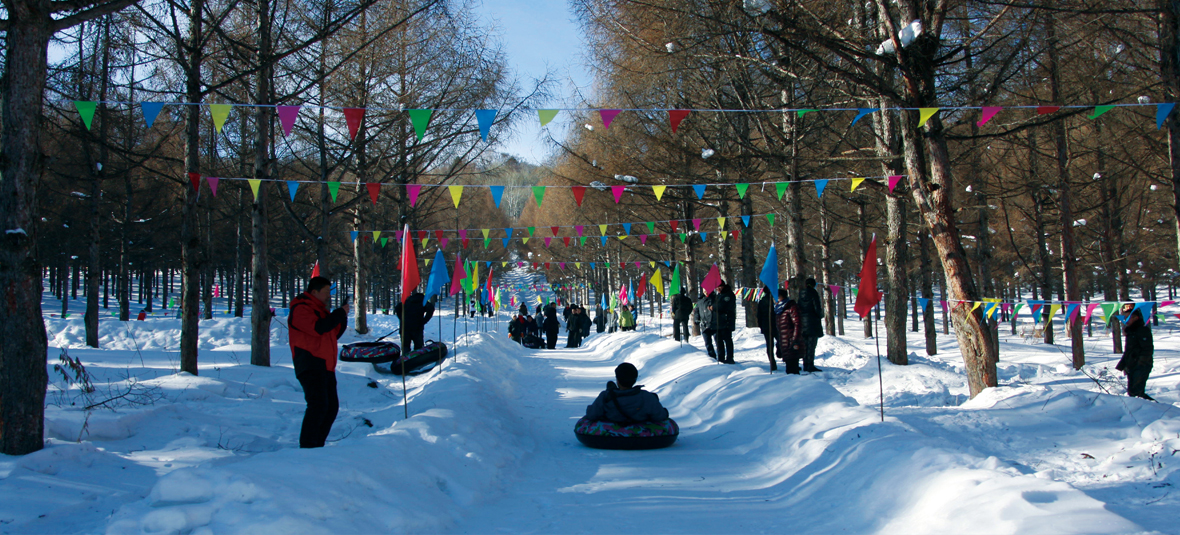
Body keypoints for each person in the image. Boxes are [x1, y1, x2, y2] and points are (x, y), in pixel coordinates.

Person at [288, 276, 349, 448]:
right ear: (314, 292)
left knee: (330, 408)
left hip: (326, 365)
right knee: (318, 405)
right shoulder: (301, 308)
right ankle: (308, 446)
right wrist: (338, 314)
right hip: (310, 363)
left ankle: (317, 445)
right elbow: (318, 328)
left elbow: (333, 333)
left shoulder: (321, 311)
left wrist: (341, 317)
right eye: (326, 291)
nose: (329, 295)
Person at [585, 363, 669, 424]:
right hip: (641, 434)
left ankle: (614, 390)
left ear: (618, 380)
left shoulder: (605, 396)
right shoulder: (646, 397)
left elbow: (592, 415)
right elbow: (660, 416)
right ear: (635, 380)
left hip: (610, 433)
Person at [1116, 303, 1155, 401]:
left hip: (1141, 366)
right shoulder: (1130, 332)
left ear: (1135, 318)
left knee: (1137, 393)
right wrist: (1123, 364)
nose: (1125, 320)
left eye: (1127, 317)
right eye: (1124, 318)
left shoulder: (1142, 330)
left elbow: (1147, 349)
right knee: (1132, 393)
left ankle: (1157, 407)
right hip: (1132, 366)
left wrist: (1140, 364)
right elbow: (1129, 351)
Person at [797, 277, 824, 373]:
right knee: (811, 345)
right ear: (814, 285)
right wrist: (820, 315)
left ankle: (805, 364)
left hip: (802, 322)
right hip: (812, 323)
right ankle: (810, 365)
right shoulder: (814, 293)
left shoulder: (801, 293)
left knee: (805, 345)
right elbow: (817, 308)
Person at [774, 289, 803, 374]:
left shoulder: (791, 307)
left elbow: (798, 324)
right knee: (789, 368)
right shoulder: (779, 309)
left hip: (791, 341)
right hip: (784, 342)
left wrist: (795, 340)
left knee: (793, 369)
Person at [713, 281, 737, 364]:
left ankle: (730, 357)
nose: (718, 289)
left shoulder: (728, 295)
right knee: (718, 340)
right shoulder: (719, 295)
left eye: (719, 287)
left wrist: (713, 307)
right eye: (716, 287)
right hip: (718, 321)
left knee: (727, 340)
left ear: (723, 286)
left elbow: (722, 306)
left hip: (727, 321)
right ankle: (721, 357)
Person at [755, 286, 777, 372]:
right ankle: (779, 358)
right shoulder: (775, 300)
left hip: (766, 326)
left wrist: (761, 326)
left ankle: (772, 363)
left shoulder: (762, 301)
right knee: (780, 342)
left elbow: (758, 315)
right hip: (774, 325)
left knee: (769, 345)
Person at [694, 291, 718, 360]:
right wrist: (696, 319)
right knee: (708, 343)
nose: (706, 292)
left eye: (707, 290)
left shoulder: (715, 298)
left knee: (718, 342)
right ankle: (712, 357)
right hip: (704, 325)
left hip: (714, 324)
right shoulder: (700, 300)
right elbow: (697, 311)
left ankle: (721, 357)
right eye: (704, 290)